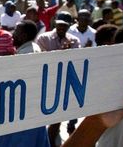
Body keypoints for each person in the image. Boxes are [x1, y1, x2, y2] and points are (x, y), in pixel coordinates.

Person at [36, 12, 81, 146]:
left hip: (63, 83)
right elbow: (40, 59)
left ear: (69, 26)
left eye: (65, 26)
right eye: (59, 25)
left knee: (57, 118)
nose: (61, 28)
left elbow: (75, 61)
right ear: (55, 23)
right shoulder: (44, 38)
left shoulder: (74, 40)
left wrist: (67, 53)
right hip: (45, 82)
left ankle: (50, 141)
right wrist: (60, 54)